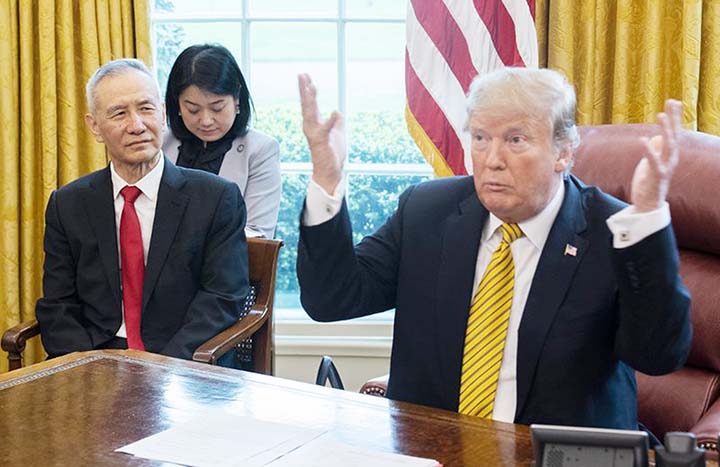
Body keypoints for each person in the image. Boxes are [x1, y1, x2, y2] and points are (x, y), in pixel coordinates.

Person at [296, 67, 691, 430]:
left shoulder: (614, 232)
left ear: (564, 152)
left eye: (515, 140)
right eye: (481, 138)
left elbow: (657, 356)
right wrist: (327, 181)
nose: (492, 160)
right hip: (434, 449)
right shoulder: (427, 211)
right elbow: (332, 299)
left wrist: (648, 219)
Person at [35, 59, 249, 360]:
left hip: (182, 361)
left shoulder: (216, 198)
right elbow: (58, 304)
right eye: (119, 114)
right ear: (94, 126)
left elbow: (222, 299)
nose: (137, 126)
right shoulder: (67, 204)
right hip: (97, 362)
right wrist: (85, 368)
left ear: (162, 114)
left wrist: (162, 367)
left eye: (146, 109)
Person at [163, 44, 281, 239]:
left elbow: (258, 234)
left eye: (217, 108)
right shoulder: (159, 144)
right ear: (177, 104)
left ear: (237, 99)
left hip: (228, 265)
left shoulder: (260, 150)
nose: (206, 121)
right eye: (193, 109)